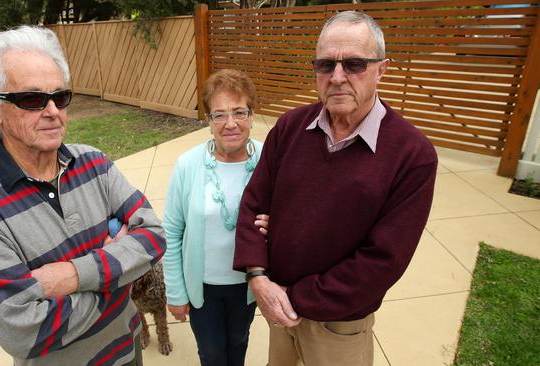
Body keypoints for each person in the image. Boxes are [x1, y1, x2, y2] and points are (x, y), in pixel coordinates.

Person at [0, 25, 165, 366]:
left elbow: (153, 237)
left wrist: (71, 277)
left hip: (127, 350)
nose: (52, 111)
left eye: (59, 96)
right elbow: (25, 332)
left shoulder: (94, 162)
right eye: (32, 99)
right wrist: (120, 279)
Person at [233, 11, 438, 366]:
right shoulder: (289, 127)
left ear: (382, 69)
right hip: (275, 303)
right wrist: (257, 276)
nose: (338, 77)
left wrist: (293, 296)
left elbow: (382, 261)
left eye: (355, 64)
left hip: (338, 326)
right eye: (326, 65)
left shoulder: (413, 155)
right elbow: (252, 204)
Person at [162, 69, 266, 366]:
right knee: (212, 353)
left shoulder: (268, 158)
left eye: (239, 112)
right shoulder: (188, 165)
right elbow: (172, 232)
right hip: (202, 288)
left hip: (249, 284)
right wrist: (176, 292)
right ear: (208, 121)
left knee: (239, 343)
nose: (230, 124)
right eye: (219, 115)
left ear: (252, 114)